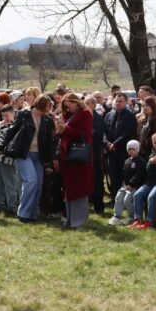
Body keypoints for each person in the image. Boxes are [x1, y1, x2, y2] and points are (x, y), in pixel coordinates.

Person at [6, 95, 55, 223]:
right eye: (48, 106)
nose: (49, 109)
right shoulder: (24, 114)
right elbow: (13, 129)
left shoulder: (48, 119)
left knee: (38, 185)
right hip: (24, 153)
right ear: (41, 105)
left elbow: (50, 141)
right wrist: (2, 144)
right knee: (31, 181)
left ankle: (32, 214)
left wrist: (51, 160)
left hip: (39, 156)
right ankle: (23, 213)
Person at [56, 93, 94, 229]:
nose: (68, 107)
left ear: (76, 102)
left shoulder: (85, 114)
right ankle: (70, 219)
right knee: (69, 189)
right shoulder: (67, 115)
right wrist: (60, 129)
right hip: (67, 157)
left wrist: (66, 129)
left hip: (79, 157)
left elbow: (85, 136)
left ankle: (79, 220)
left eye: (69, 104)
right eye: (66, 105)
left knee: (79, 188)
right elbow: (63, 135)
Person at [130, 132, 156, 230]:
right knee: (137, 195)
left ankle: (149, 222)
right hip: (150, 182)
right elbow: (148, 169)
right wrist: (152, 162)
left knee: (151, 196)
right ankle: (137, 219)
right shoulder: (153, 153)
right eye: (155, 142)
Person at [103, 93, 137, 196]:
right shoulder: (109, 115)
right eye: (116, 101)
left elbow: (127, 133)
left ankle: (123, 199)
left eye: (120, 101)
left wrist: (115, 144)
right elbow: (104, 131)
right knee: (112, 175)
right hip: (110, 151)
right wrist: (106, 143)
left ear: (126, 102)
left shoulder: (130, 116)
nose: (118, 103)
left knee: (123, 175)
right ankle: (114, 197)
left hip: (123, 151)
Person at [0, 105, 20, 215]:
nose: (5, 118)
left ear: (13, 114)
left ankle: (12, 206)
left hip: (8, 159)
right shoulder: (0, 125)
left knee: (9, 183)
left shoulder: (16, 126)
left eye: (7, 115)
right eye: (3, 115)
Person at [109, 140, 144, 226]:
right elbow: (124, 174)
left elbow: (139, 174)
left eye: (133, 149)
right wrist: (124, 183)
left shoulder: (140, 161)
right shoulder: (127, 161)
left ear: (137, 149)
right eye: (129, 149)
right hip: (125, 185)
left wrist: (131, 184)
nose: (131, 151)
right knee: (119, 197)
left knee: (127, 200)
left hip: (135, 186)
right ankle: (116, 216)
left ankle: (132, 217)